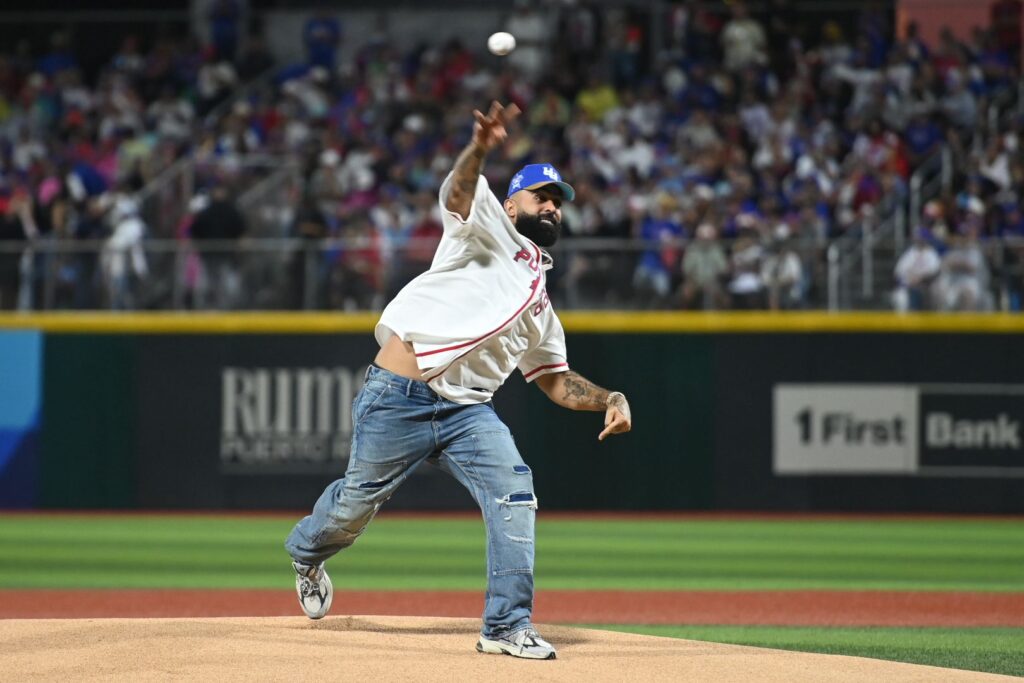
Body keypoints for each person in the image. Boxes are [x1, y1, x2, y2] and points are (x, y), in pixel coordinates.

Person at [284, 102, 632, 660]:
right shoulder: (484, 228)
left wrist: (610, 398)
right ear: (511, 204)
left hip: (468, 413)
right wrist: (480, 148)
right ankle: (306, 554)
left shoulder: (540, 307)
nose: (552, 206)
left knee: (516, 493)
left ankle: (506, 626)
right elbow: (460, 192)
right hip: (397, 397)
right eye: (541, 196)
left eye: (558, 201)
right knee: (353, 508)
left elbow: (556, 381)